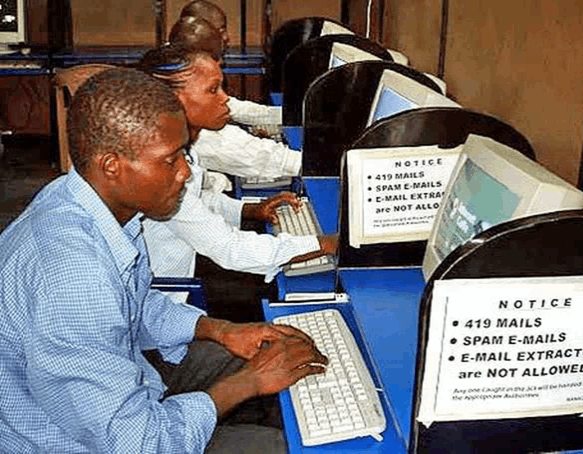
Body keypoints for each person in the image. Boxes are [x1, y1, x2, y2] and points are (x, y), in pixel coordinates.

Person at [0, 67, 328, 453]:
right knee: (274, 445)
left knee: (288, 366)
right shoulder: (73, 276)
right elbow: (138, 443)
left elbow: (132, 305)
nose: (186, 173)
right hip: (76, 441)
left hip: (125, 383)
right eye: (170, 160)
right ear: (112, 166)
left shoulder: (86, 202)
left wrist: (220, 330)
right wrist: (247, 384)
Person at [137, 45, 338, 307]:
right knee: (284, 298)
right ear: (172, 100)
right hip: (171, 297)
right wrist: (324, 244)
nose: (225, 99)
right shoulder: (161, 170)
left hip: (187, 268)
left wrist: (249, 210)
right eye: (213, 90)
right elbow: (230, 249)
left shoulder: (181, 151)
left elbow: (196, 201)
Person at [161, 20, 299, 179]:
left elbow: (238, 109)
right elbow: (282, 162)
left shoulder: (173, 83)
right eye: (215, 56)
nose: (227, 37)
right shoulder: (205, 136)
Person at [179, 0, 283, 127]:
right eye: (221, 30)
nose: (226, 37)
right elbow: (232, 109)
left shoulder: (192, 59)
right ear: (196, 28)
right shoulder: (179, 68)